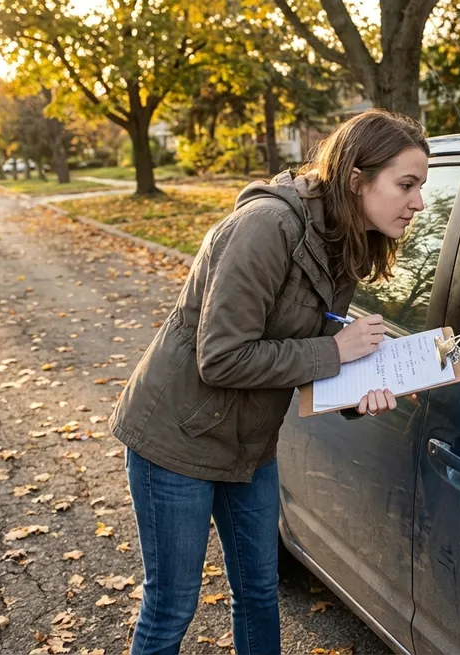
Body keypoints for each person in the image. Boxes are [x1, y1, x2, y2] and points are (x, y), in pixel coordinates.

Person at [108, 109, 431, 655]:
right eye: (406, 185)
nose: (418, 202)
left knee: (258, 592)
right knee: (171, 607)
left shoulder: (345, 242)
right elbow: (222, 358)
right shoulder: (267, 226)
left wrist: (361, 392)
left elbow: (310, 356)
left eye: (420, 187)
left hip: (250, 445)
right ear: (357, 178)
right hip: (176, 441)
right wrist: (336, 351)